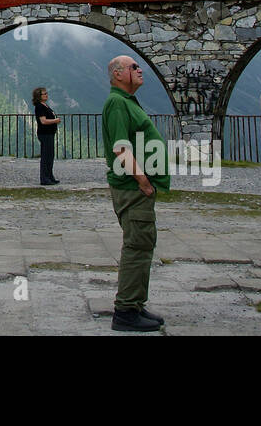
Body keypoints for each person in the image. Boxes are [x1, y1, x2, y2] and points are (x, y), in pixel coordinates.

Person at [103, 54, 168, 332]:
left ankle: (136, 304)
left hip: (137, 186)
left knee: (143, 244)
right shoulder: (117, 103)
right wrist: (143, 181)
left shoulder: (126, 102)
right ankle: (126, 310)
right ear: (118, 74)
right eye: (134, 67)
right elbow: (120, 147)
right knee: (137, 245)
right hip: (133, 187)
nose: (140, 70)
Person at [32, 86, 60, 185]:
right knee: (46, 156)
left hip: (49, 133)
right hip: (45, 134)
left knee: (50, 156)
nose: (46, 95)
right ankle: (44, 178)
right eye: (44, 94)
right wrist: (55, 120)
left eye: (46, 93)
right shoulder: (39, 107)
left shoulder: (45, 105)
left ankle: (50, 176)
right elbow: (43, 121)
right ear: (39, 96)